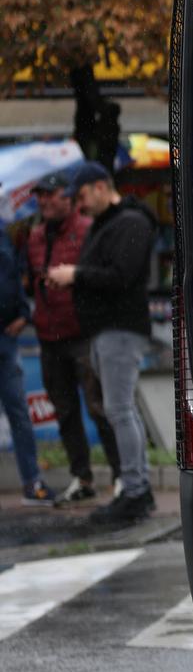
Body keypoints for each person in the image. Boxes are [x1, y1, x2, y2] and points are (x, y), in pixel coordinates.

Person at [46, 162, 157, 528]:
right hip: (107, 330)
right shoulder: (111, 223)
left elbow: (121, 276)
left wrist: (75, 275)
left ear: (98, 187)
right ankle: (135, 488)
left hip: (119, 329)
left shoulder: (129, 223)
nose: (80, 205)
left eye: (81, 196)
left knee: (120, 409)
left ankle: (136, 490)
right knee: (121, 410)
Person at [26, 171, 121, 505]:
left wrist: (72, 281)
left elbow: (99, 276)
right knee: (64, 410)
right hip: (49, 335)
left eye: (50, 195)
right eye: (39, 196)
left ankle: (121, 475)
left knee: (99, 406)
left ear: (67, 199)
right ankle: (82, 478)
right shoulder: (36, 235)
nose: (44, 201)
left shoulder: (86, 230)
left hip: (82, 334)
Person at [0, 203, 53, 505]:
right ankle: (32, 481)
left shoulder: (5, 238)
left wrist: (22, 314)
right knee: (19, 413)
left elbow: (13, 287)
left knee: (19, 413)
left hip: (6, 338)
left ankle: (32, 481)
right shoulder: (6, 238)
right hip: (7, 336)